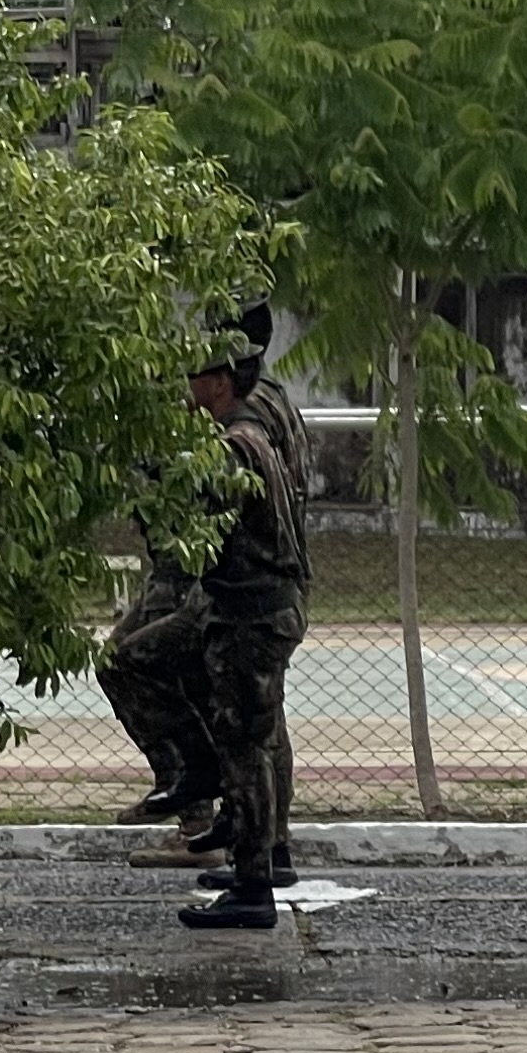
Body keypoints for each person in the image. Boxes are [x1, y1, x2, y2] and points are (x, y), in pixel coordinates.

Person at [182, 330, 311, 930]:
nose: (188, 387)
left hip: (251, 611)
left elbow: (205, 532)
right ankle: (250, 865)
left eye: (196, 377)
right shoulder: (252, 435)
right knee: (249, 742)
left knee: (245, 746)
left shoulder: (234, 447)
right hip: (264, 606)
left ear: (219, 383)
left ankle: (254, 882)